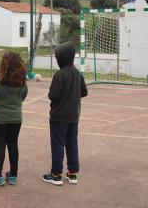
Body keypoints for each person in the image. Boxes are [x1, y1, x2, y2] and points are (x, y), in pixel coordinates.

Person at [42, 41, 88, 186]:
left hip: (58, 117)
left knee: (57, 144)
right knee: (72, 144)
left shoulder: (60, 75)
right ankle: (72, 173)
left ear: (61, 58)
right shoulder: (77, 73)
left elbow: (53, 96)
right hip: (74, 116)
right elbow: (84, 92)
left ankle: (56, 174)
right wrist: (72, 96)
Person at [0, 52, 28, 186]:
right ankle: (13, 175)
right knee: (13, 144)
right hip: (16, 117)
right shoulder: (21, 83)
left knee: (0, 144)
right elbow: (23, 96)